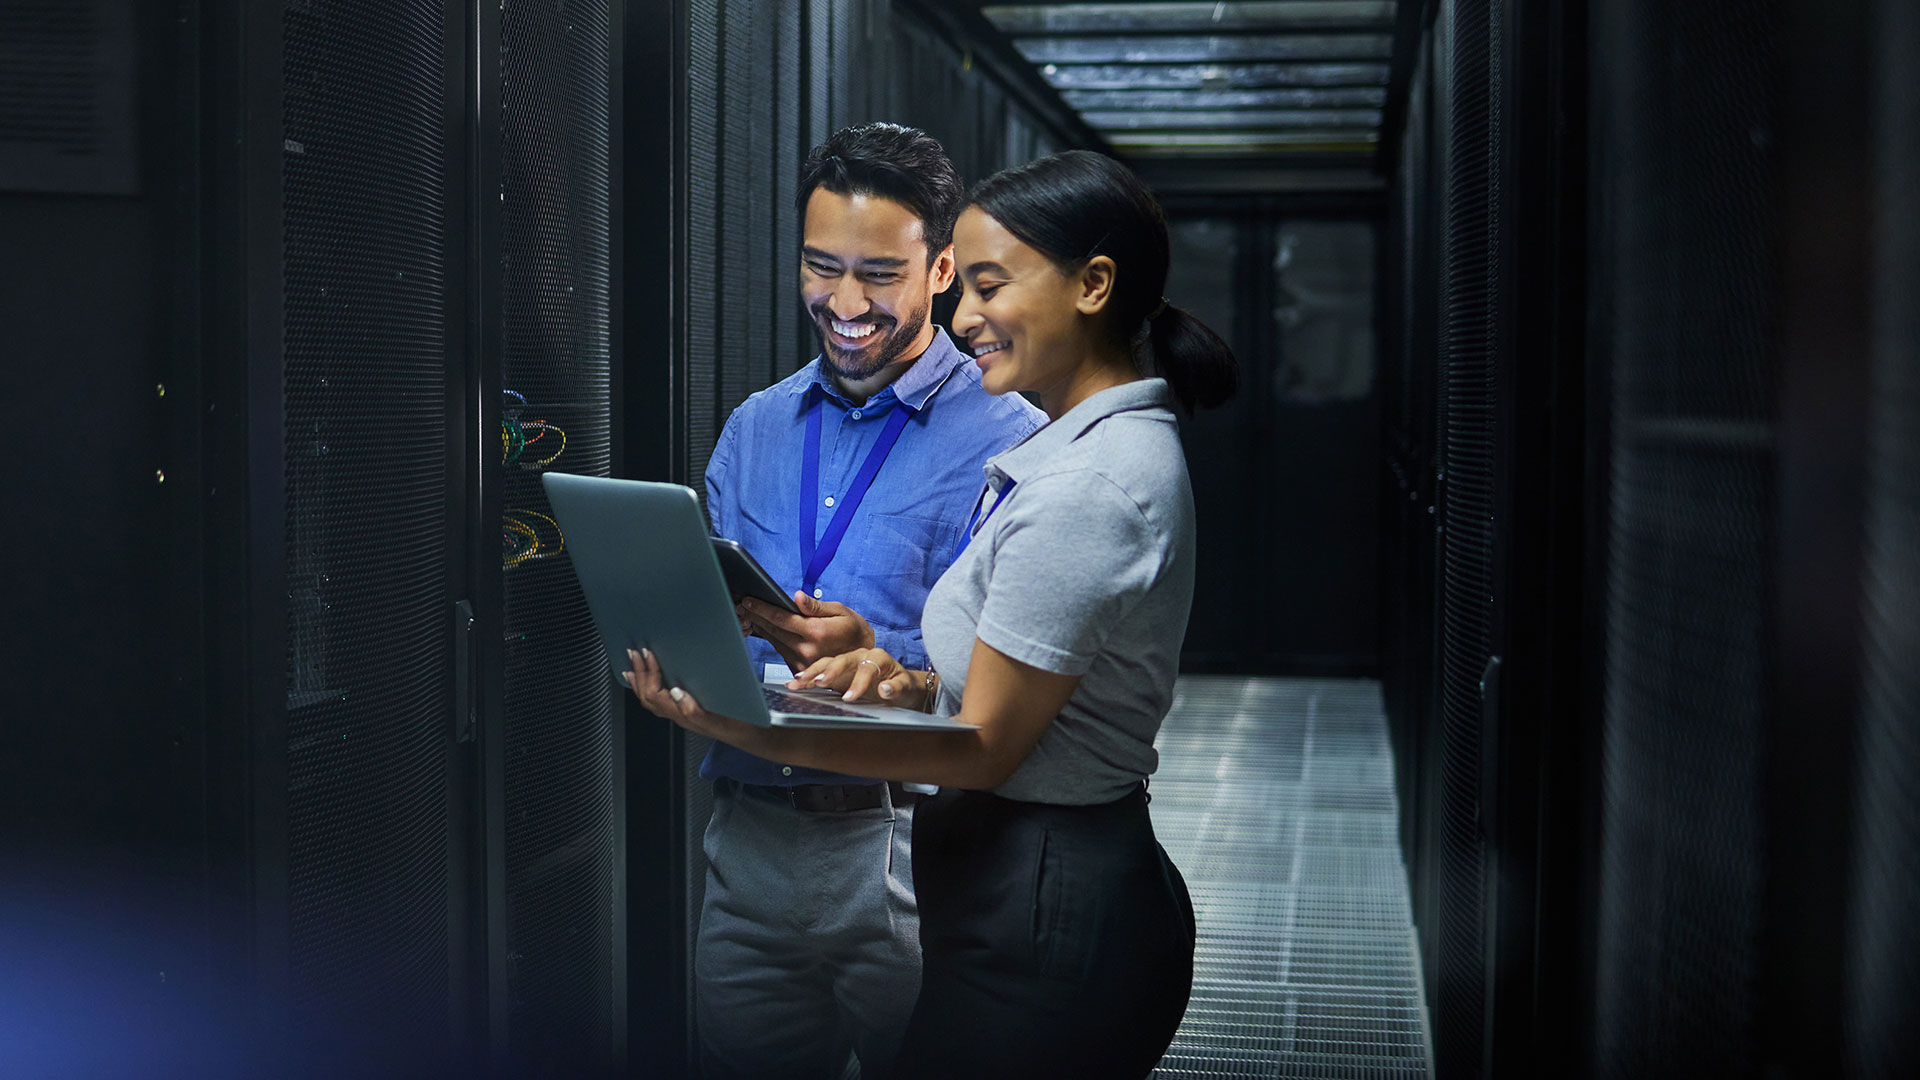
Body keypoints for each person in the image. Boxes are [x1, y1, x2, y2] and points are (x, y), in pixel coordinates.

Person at [627, 148, 1238, 1078]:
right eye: (822, 265)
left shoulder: (1072, 473)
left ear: (1091, 285)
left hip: (973, 858)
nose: (967, 318)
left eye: (985, 284)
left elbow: (983, 741)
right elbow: (984, 666)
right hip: (808, 845)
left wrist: (739, 717)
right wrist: (868, 654)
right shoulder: (763, 424)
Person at [693, 123, 1047, 1079]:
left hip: (907, 845)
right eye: (821, 267)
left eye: (879, 276)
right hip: (747, 833)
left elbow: (1008, 691)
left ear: (941, 272)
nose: (843, 304)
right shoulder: (755, 429)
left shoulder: (1014, 442)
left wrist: (890, 666)